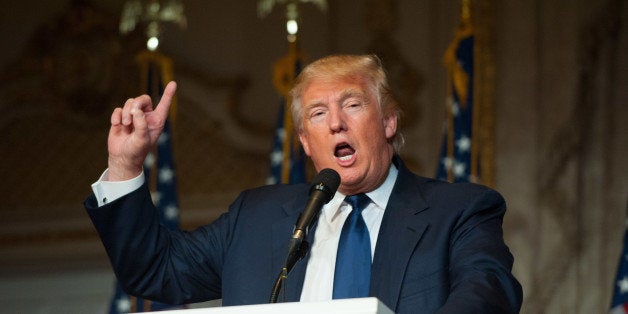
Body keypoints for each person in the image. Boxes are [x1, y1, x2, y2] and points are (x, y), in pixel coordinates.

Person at [85, 54, 523, 313]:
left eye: (352, 104)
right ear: (304, 143)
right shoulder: (254, 219)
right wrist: (125, 166)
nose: (335, 123)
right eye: (317, 113)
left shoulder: (458, 211)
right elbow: (153, 270)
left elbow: (489, 291)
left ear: (388, 121)